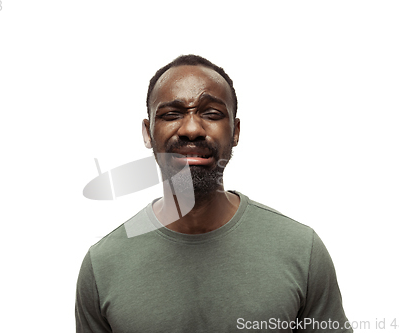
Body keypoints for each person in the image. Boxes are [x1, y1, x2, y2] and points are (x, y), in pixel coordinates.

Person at [75, 54, 353, 332]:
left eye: (211, 114)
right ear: (148, 133)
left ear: (235, 131)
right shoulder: (102, 267)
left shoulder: (302, 251)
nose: (192, 129)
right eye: (171, 115)